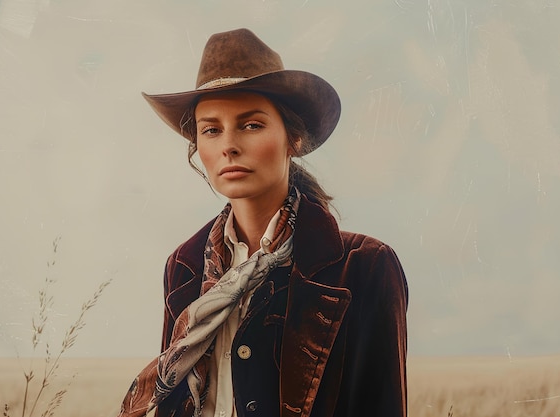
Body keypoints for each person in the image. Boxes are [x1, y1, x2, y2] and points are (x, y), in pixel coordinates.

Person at [118, 28, 408, 417]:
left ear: (294, 139)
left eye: (251, 124)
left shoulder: (364, 266)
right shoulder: (184, 265)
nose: (228, 145)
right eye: (211, 129)